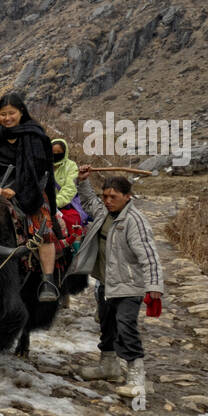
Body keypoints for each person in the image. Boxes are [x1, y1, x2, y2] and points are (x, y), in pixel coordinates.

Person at [65, 170, 164, 398]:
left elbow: (148, 255)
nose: (108, 201)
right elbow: (89, 201)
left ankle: (136, 376)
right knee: (107, 324)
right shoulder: (103, 213)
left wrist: (154, 286)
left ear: (127, 196)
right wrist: (82, 181)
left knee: (125, 325)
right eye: (105, 196)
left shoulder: (134, 221)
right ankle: (108, 365)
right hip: (105, 283)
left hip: (129, 284)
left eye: (114, 197)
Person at [0, 93, 61, 302]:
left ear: (21, 112)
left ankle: (47, 280)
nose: (7, 118)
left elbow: (37, 166)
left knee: (43, 228)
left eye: (11, 113)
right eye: (2, 114)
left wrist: (15, 188)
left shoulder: (34, 135)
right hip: (0, 188)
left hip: (30, 187)